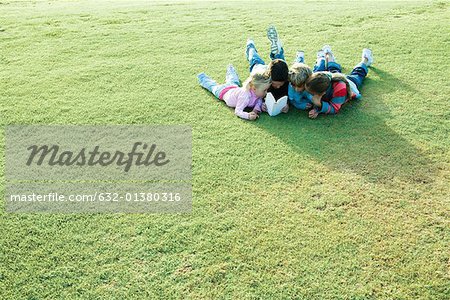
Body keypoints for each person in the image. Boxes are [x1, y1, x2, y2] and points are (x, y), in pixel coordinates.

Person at [305, 47, 374, 118]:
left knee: (358, 73)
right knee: (333, 69)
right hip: (334, 76)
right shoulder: (319, 77)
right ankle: (328, 54)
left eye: (312, 93)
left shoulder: (340, 89)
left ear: (323, 93)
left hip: (350, 83)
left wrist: (320, 105)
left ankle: (365, 59)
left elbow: (335, 108)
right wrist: (316, 109)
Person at [197, 64, 271, 120]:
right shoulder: (244, 96)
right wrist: (248, 116)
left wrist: (255, 111)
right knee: (212, 86)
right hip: (223, 91)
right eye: (265, 90)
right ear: (254, 88)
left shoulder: (258, 94)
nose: (267, 92)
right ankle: (202, 78)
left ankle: (230, 69)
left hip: (234, 88)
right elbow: (238, 111)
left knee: (233, 80)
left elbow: (258, 102)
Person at [245, 25, 289, 113]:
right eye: (275, 84)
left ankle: (277, 52)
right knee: (253, 57)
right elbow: (256, 92)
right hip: (259, 69)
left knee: (280, 65)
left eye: (280, 84)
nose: (278, 87)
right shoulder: (263, 81)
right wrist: (263, 104)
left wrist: (287, 105)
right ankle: (250, 45)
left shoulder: (286, 79)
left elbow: (288, 94)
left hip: (274, 70)